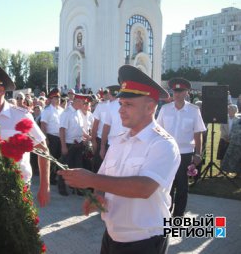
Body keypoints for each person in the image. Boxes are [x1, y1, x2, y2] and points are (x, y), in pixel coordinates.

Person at [59, 65, 180, 254]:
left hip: (144, 241)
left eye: (129, 105)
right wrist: (98, 195)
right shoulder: (119, 141)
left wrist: (91, 180)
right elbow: (105, 176)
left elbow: (144, 188)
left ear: (150, 107)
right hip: (112, 236)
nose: (121, 110)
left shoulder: (163, 144)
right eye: (121, 104)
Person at [0, 61, 50, 207]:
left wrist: (44, 186)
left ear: (1, 91)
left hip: (17, 188)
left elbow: (43, 150)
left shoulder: (21, 116)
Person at [156, 77, 206, 217]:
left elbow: (198, 133)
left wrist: (198, 154)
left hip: (185, 153)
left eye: (180, 91)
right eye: (175, 91)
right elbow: (158, 130)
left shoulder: (194, 110)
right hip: (167, 153)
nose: (177, 94)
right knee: (167, 184)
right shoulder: (165, 109)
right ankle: (166, 212)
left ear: (186, 93)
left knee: (182, 186)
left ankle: (178, 215)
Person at [58, 93, 91, 196]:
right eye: (82, 102)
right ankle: (62, 187)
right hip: (69, 144)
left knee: (78, 167)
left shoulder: (79, 112)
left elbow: (81, 129)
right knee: (65, 167)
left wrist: (88, 137)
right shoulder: (66, 113)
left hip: (79, 144)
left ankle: (78, 188)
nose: (84, 104)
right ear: (77, 101)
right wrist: (63, 146)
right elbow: (62, 130)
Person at [40, 88, 64, 185]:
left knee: (58, 158)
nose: (58, 99)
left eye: (58, 97)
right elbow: (43, 125)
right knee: (51, 159)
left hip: (60, 137)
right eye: (55, 98)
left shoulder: (62, 110)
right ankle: (50, 178)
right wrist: (45, 138)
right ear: (51, 98)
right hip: (51, 137)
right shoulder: (47, 110)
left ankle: (55, 176)